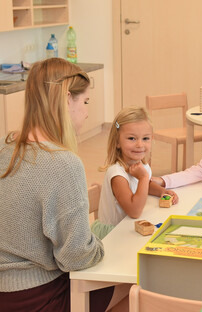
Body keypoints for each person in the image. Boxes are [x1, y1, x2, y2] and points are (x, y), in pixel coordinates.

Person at [0, 58, 116, 311]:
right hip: (36, 297)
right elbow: (76, 257)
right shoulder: (63, 164)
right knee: (130, 285)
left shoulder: (4, 147)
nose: (86, 112)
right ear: (66, 100)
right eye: (84, 102)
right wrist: (98, 243)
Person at [91, 107, 178, 239]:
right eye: (132, 138)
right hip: (113, 236)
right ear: (117, 142)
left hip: (129, 228)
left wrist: (161, 191)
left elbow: (146, 185)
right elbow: (134, 211)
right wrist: (143, 177)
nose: (139, 144)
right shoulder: (117, 174)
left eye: (145, 138)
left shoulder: (142, 166)